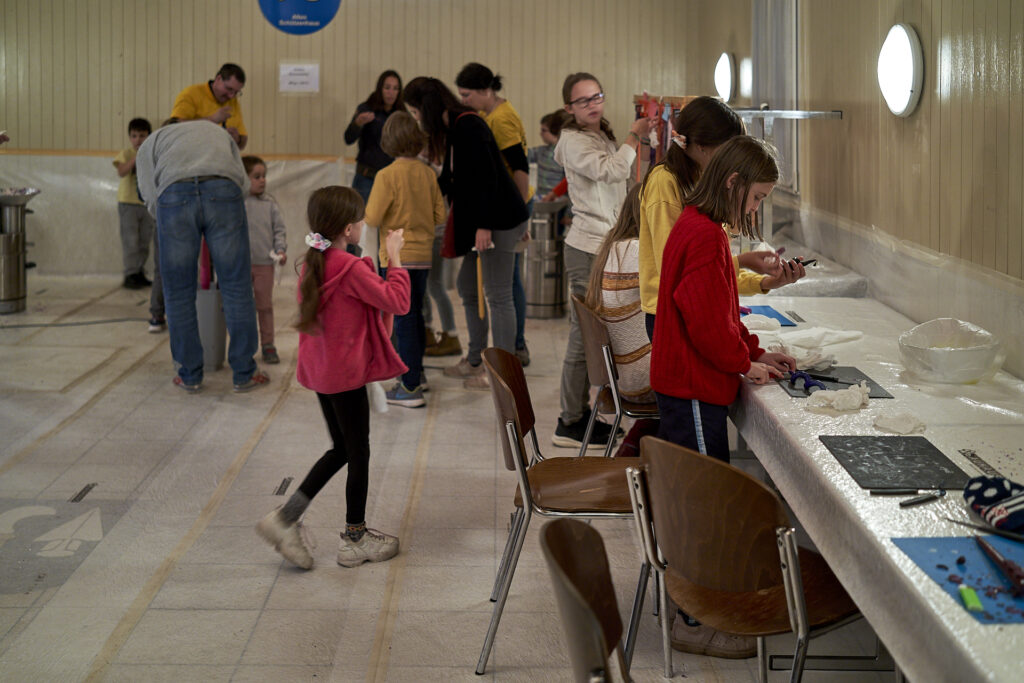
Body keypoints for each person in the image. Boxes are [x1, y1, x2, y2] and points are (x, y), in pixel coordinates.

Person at [651, 135, 797, 659]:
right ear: (732, 183)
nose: (755, 209)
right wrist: (742, 363)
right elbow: (706, 323)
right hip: (691, 387)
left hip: (692, 383)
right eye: (755, 198)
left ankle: (695, 603)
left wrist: (754, 350)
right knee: (704, 502)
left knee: (702, 496)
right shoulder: (705, 235)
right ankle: (696, 619)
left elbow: (721, 309)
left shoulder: (701, 226)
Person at [256, 186, 408, 569]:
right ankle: (355, 538)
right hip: (345, 375)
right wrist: (395, 257)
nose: (364, 225)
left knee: (341, 448)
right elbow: (397, 301)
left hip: (322, 373)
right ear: (348, 229)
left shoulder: (315, 261)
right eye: (360, 220)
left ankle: (285, 519)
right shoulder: (351, 268)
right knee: (358, 453)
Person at [639, 96, 805, 342]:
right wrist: (742, 261)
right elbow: (680, 272)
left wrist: (764, 282)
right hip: (671, 315)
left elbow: (712, 272)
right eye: (727, 151)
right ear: (701, 146)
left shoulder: (706, 183)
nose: (732, 161)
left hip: (695, 309)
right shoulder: (665, 182)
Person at [403, 77, 529, 390]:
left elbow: (487, 177)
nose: (417, 120)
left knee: (498, 295)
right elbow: (453, 178)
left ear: (427, 108)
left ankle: (503, 373)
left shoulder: (469, 125)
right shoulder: (454, 128)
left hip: (499, 220)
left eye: (416, 113)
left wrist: (484, 225)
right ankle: (475, 359)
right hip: (483, 220)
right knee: (467, 287)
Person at [552, 72, 653, 449]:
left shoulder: (600, 136)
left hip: (604, 246)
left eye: (597, 96)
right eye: (583, 101)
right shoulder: (573, 141)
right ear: (569, 108)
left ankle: (584, 412)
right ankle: (569, 420)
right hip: (587, 248)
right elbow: (613, 170)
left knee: (597, 335)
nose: (593, 104)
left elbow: (626, 180)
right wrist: (634, 135)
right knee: (584, 336)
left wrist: (645, 138)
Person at [135, 119, 268, 393]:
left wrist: (168, 217)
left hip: (174, 193)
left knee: (178, 292)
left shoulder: (152, 141)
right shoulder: (216, 132)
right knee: (237, 286)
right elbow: (242, 182)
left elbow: (148, 192)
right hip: (224, 190)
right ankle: (244, 373)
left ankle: (189, 375)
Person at [365, 112, 446, 408]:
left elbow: (373, 217)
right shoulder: (428, 174)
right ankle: (417, 374)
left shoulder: (386, 175)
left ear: (388, 141)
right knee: (417, 316)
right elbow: (440, 215)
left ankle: (410, 387)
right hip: (423, 255)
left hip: (396, 257)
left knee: (403, 320)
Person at [455, 62, 533, 367]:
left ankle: (512, 353)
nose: (463, 101)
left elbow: (520, 167)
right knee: (504, 284)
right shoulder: (492, 113)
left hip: (510, 208)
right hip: (507, 207)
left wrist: (522, 215)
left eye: (467, 95)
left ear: (486, 90)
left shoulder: (500, 119)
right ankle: (510, 349)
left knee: (503, 289)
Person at [583, 183, 658, 457]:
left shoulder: (615, 246)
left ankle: (634, 446)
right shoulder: (638, 252)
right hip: (640, 379)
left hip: (621, 374)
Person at [242, 155, 287, 365]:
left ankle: (268, 344)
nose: (262, 180)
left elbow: (279, 230)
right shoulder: (236, 204)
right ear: (243, 178)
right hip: (240, 266)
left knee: (264, 306)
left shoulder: (270, 205)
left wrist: (280, 250)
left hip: (264, 265)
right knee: (243, 308)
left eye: (264, 176)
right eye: (256, 176)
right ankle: (244, 347)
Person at [344, 70, 404, 202]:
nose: (391, 92)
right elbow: (348, 139)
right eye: (387, 87)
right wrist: (357, 123)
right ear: (380, 88)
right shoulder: (366, 109)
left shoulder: (401, 113)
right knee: (360, 214)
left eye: (395, 88)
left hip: (392, 178)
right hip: (367, 177)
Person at [113, 118, 155, 291]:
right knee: (131, 240)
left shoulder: (152, 154)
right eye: (134, 136)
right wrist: (136, 158)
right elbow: (121, 172)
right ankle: (130, 273)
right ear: (130, 137)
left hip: (146, 204)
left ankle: (139, 272)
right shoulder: (126, 154)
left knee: (144, 241)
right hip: (128, 203)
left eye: (142, 136)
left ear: (149, 136)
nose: (138, 140)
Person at [171, 63, 248, 149]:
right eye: (229, 89)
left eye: (236, 92)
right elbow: (173, 127)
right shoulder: (191, 94)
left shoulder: (233, 101)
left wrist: (237, 139)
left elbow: (243, 139)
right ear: (218, 79)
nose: (231, 96)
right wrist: (212, 120)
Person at [530, 110, 570, 200]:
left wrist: (554, 194)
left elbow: (569, 179)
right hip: (543, 196)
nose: (540, 134)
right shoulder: (541, 151)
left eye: (544, 130)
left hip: (559, 198)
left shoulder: (566, 154)